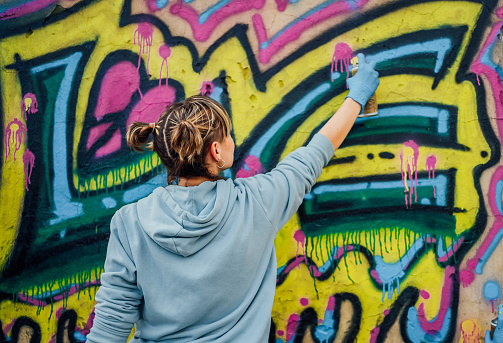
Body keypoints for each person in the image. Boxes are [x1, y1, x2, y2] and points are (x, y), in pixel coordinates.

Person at [86, 53, 379, 343]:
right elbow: (315, 154)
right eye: (227, 135)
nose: (231, 140)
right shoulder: (257, 203)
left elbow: (110, 326)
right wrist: (358, 96)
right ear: (216, 151)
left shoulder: (129, 223)